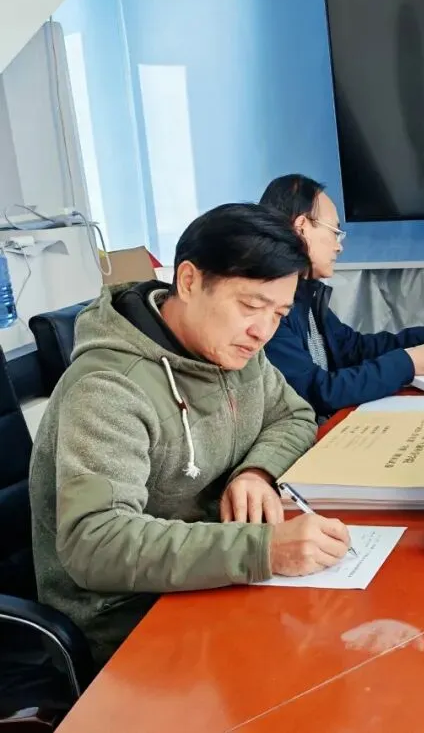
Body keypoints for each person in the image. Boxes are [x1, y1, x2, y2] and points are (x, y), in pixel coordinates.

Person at [29, 203, 352, 665]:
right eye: (250, 305)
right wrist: (262, 550)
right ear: (188, 281)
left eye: (279, 314)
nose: (263, 331)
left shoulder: (235, 348)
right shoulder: (109, 387)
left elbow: (295, 416)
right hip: (129, 619)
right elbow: (95, 543)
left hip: (213, 576)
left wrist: (257, 472)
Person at [260, 174, 424, 419]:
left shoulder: (307, 294)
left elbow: (355, 349)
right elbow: (318, 391)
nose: (339, 246)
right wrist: (408, 364)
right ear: (301, 228)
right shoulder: (271, 308)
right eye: (335, 232)